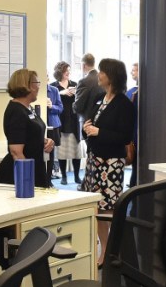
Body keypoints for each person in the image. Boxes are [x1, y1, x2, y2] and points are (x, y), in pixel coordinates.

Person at [81, 58, 135, 251]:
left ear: (111, 76)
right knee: (96, 207)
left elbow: (125, 136)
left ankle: (117, 251)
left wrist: (99, 132)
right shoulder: (99, 99)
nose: (99, 75)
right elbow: (90, 126)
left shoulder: (124, 104)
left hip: (111, 163)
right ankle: (104, 249)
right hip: (94, 161)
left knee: (109, 208)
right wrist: (86, 128)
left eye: (103, 72)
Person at [0, 69, 54, 188]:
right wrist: (27, 181)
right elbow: (16, 152)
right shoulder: (17, 111)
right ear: (27, 86)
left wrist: (47, 141)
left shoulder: (28, 108)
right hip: (20, 174)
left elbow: (31, 135)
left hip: (36, 167)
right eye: (36, 83)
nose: (39, 87)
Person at [52, 61, 82, 185]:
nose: (68, 73)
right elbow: (50, 102)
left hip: (74, 120)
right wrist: (61, 93)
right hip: (61, 122)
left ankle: (76, 176)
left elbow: (81, 101)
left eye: (69, 70)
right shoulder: (53, 87)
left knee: (76, 151)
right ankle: (64, 176)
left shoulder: (75, 84)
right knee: (62, 152)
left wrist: (76, 94)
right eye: (66, 71)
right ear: (60, 72)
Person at [44, 71, 63, 180]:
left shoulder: (54, 90)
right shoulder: (34, 91)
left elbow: (60, 108)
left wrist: (52, 106)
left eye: (46, 76)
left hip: (53, 124)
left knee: (51, 151)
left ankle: (49, 176)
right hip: (41, 123)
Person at [72, 52, 102, 121]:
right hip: (100, 118)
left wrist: (76, 95)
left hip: (86, 120)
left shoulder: (83, 82)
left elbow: (78, 106)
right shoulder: (102, 78)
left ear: (83, 65)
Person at [126, 61, 140, 188]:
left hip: (134, 133)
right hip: (135, 133)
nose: (132, 72)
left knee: (136, 163)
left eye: (134, 70)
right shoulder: (131, 92)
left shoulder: (132, 93)